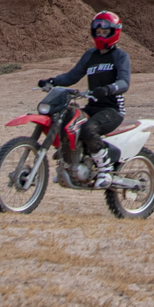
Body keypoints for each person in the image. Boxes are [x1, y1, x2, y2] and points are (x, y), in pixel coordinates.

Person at [41, 12, 131, 182]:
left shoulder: (120, 56)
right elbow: (72, 76)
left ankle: (105, 170)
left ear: (114, 32)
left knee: (89, 129)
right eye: (98, 32)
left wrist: (109, 89)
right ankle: (70, 162)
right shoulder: (90, 55)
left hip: (112, 110)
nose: (101, 35)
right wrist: (52, 81)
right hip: (92, 107)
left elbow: (124, 83)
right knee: (68, 121)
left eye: (105, 32)